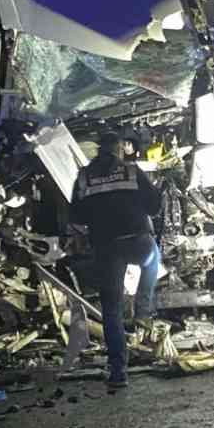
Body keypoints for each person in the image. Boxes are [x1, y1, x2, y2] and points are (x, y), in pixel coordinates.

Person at [70, 131, 162, 389]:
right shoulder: (132, 172)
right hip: (136, 240)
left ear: (99, 149)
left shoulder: (84, 176)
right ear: (119, 149)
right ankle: (143, 310)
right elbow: (155, 205)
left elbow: (75, 216)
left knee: (111, 309)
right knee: (153, 257)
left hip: (106, 247)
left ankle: (118, 371)